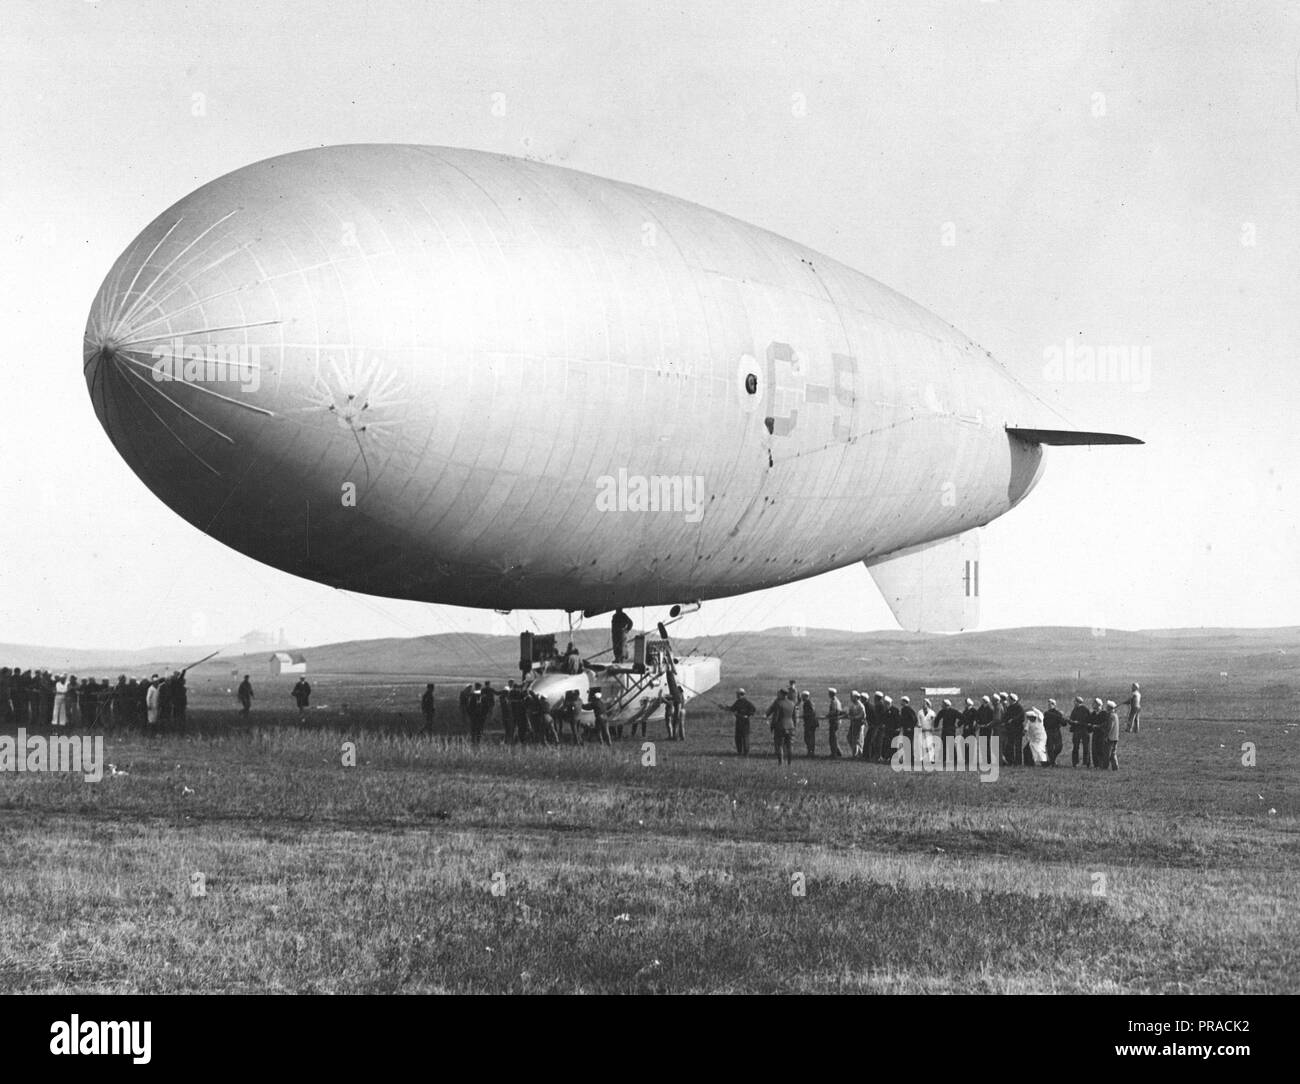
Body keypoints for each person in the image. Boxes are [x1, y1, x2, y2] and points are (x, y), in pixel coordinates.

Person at [721, 688, 757, 756]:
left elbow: (753, 710)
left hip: (744, 722)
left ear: (740, 694)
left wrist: (747, 715)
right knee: (739, 737)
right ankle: (742, 752)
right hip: (739, 722)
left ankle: (744, 753)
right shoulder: (739, 702)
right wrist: (723, 707)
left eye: (737, 694)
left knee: (744, 738)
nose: (736, 695)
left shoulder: (746, 703)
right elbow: (732, 709)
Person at [766, 688, 796, 766]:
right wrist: (794, 726)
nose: (777, 694)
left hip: (780, 727)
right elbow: (794, 717)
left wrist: (772, 726)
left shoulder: (778, 703)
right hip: (791, 726)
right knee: (790, 746)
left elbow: (775, 717)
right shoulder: (792, 703)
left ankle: (781, 763)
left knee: (779, 745)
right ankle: (790, 763)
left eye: (778, 693)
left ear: (782, 694)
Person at [1069, 696, 1092, 768]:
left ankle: (1085, 762)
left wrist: (1077, 722)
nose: (1074, 703)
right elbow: (1071, 719)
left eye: (1075, 701)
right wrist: (1071, 722)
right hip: (1077, 730)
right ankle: (1078, 763)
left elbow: (1088, 721)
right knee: (1077, 747)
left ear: (1078, 702)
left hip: (1083, 730)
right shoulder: (1075, 709)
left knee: (1084, 747)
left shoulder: (1084, 709)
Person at [1043, 699, 1066, 766]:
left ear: (1055, 705)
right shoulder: (1046, 713)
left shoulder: (1058, 713)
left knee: (1059, 747)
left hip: (1056, 731)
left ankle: (1051, 760)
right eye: (1049, 704)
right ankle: (1052, 762)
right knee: (1049, 748)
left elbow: (1064, 723)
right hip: (1048, 732)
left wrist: (1062, 718)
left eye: (1052, 704)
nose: (1050, 705)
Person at [1003, 693, 1025, 766]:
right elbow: (1006, 717)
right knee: (1010, 746)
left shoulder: (1019, 707)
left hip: (1018, 730)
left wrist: (1013, 720)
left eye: (1009, 699)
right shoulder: (1009, 707)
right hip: (1010, 730)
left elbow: (1022, 718)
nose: (1008, 700)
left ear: (1012, 700)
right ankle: (1011, 761)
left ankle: (1018, 762)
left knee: (1018, 747)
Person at [1090, 697, 1108, 769]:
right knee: (1094, 749)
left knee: (1101, 749)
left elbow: (1106, 724)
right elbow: (1090, 722)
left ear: (1099, 705)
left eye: (1094, 704)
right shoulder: (1093, 714)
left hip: (1102, 734)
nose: (1093, 705)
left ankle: (1102, 764)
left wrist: (1098, 726)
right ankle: (1096, 765)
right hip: (1095, 733)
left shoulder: (1104, 713)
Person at [825, 688, 844, 758]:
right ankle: (838, 752)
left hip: (834, 721)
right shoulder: (837, 701)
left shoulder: (834, 701)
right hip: (836, 721)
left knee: (832, 738)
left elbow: (835, 711)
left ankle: (834, 753)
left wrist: (828, 715)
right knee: (834, 737)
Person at [847, 691, 867, 757]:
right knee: (850, 737)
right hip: (853, 724)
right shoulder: (853, 705)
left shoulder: (861, 706)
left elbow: (862, 715)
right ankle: (857, 752)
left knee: (857, 739)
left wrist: (854, 717)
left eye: (852, 697)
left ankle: (857, 753)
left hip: (859, 725)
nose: (851, 698)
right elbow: (850, 713)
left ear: (855, 697)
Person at [799, 691, 818, 757]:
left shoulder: (809, 702)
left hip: (811, 723)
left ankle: (811, 752)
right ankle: (810, 751)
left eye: (802, 696)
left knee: (809, 738)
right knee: (808, 738)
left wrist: (805, 715)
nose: (801, 698)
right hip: (809, 723)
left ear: (806, 696)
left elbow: (812, 712)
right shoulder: (807, 702)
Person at [1104, 700, 1121, 769]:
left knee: (1107, 753)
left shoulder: (1111, 716)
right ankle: (1115, 767)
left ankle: (1105, 767)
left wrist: (1106, 736)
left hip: (1110, 737)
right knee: (1113, 753)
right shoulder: (1115, 715)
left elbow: (1109, 727)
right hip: (1115, 737)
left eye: (1107, 706)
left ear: (1109, 708)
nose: (1106, 708)